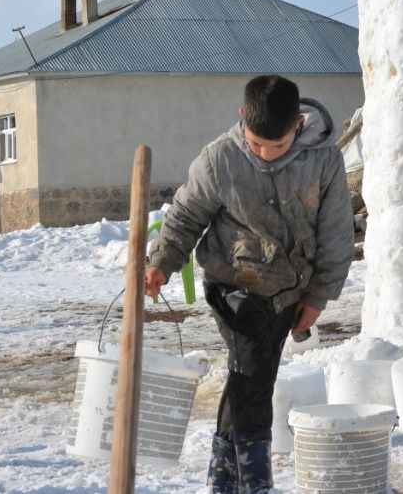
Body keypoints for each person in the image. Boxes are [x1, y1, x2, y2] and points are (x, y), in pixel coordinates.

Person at [145, 75, 353, 494]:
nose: (265, 155)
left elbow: (336, 233)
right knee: (253, 373)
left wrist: (318, 298)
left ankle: (223, 478)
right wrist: (162, 263)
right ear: (243, 117)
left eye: (277, 146)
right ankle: (255, 479)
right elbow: (185, 217)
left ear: (297, 124)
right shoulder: (219, 159)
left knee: (252, 375)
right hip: (233, 283)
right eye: (256, 144)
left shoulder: (323, 159)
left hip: (289, 287)